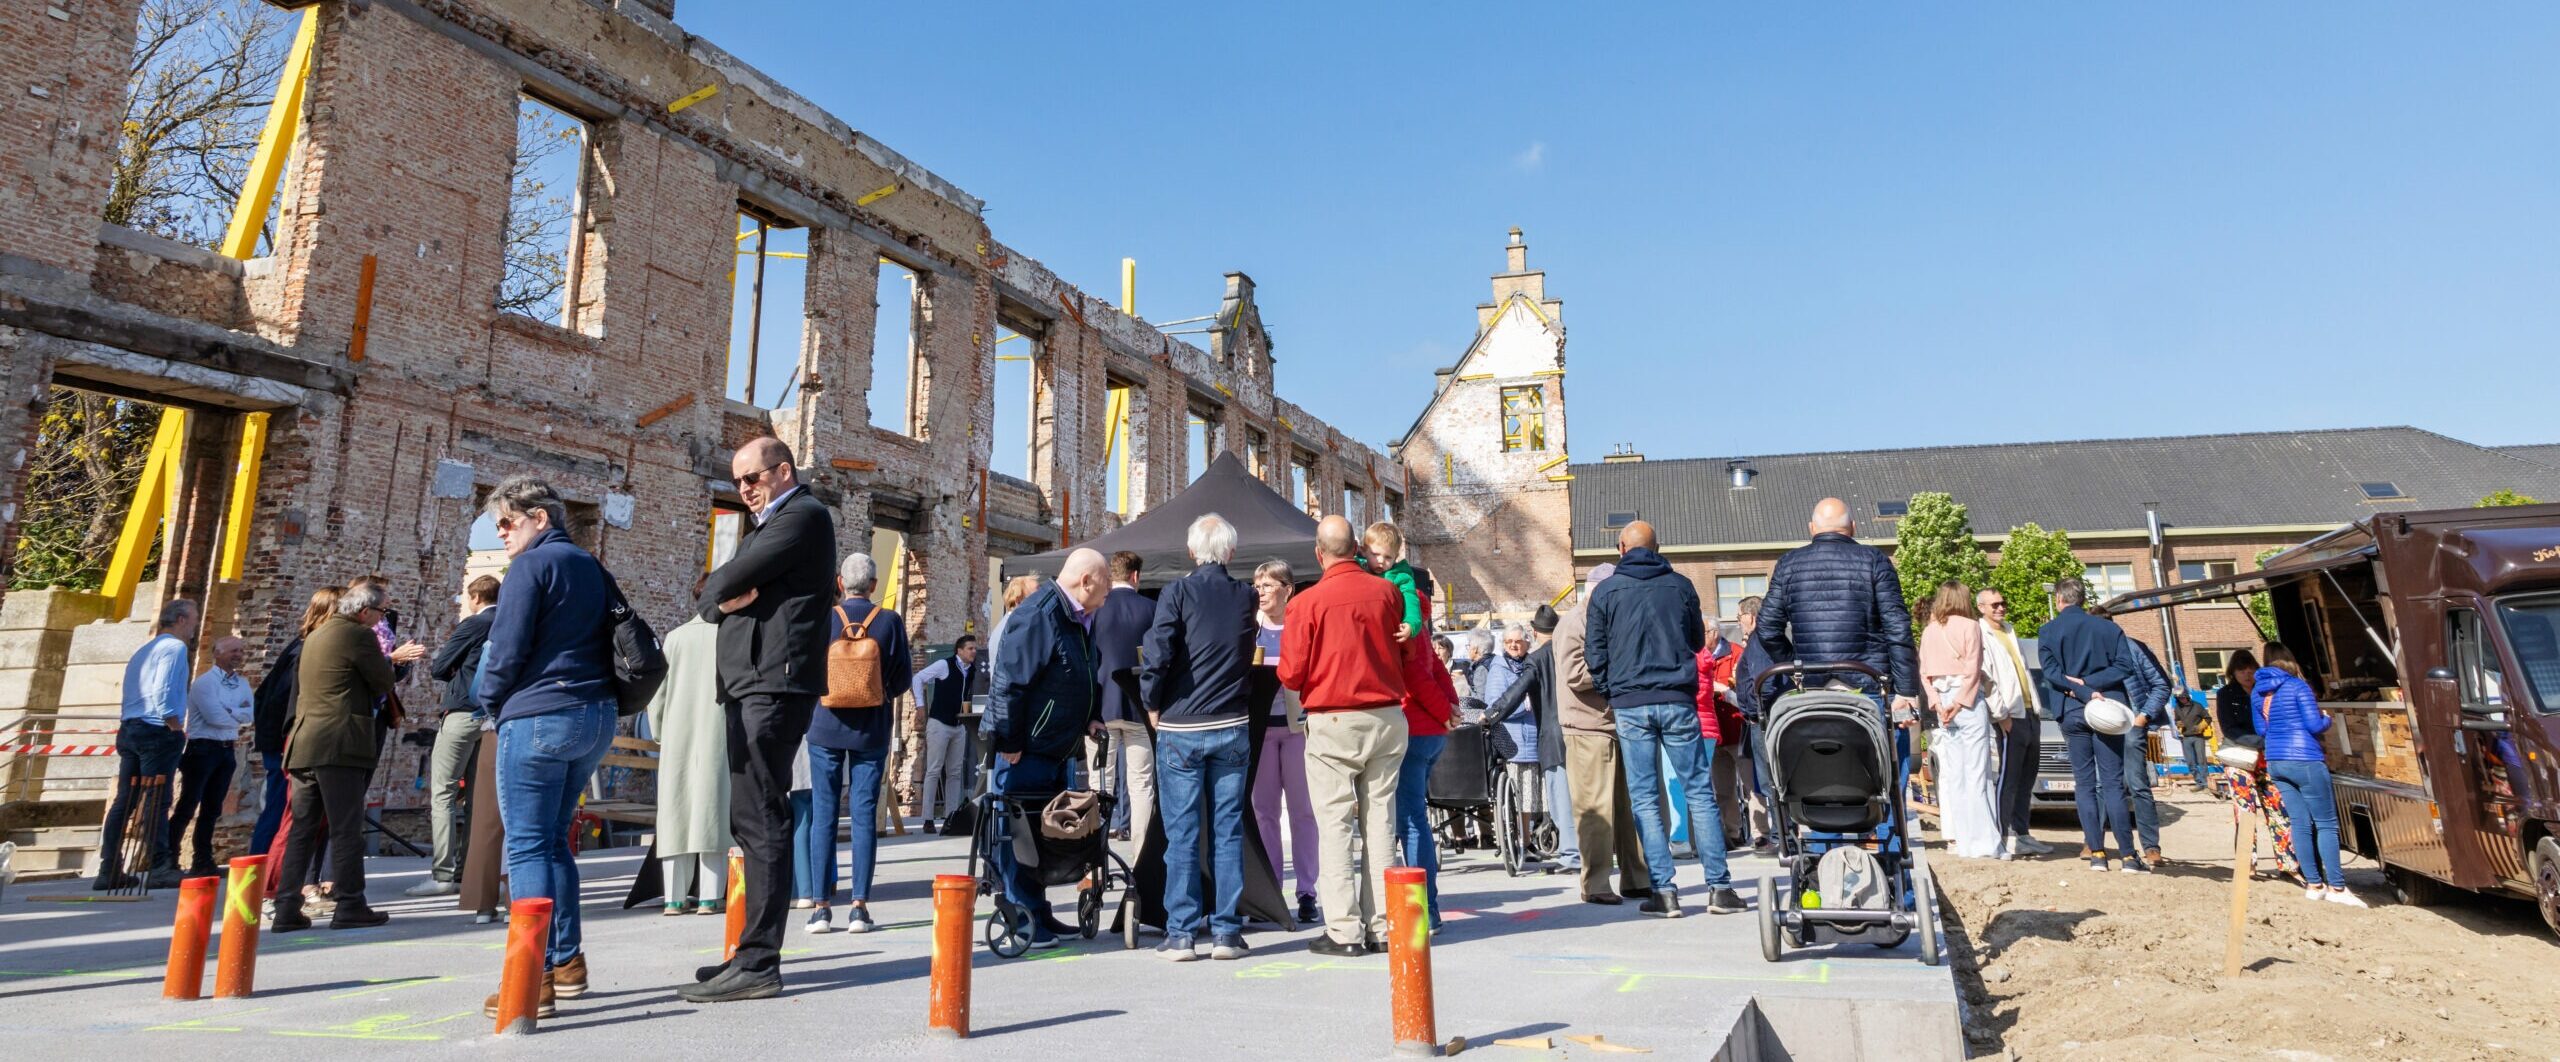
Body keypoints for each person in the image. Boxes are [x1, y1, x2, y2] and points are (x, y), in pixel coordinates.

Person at [686, 437, 838, 1003]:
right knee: (749, 817)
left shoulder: (802, 516)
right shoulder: (770, 523)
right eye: (738, 481)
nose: (745, 489)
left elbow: (719, 583)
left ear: (783, 470)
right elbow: (708, 594)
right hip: (753, 683)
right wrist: (718, 597)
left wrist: (720, 594)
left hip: (774, 682)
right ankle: (749, 954)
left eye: (753, 478)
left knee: (762, 816)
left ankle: (759, 963)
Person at [473, 476, 617, 1016]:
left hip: (539, 714)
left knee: (528, 846)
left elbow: (505, 649)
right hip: (595, 714)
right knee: (555, 840)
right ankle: (566, 962)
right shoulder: (590, 565)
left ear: (540, 517)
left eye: (508, 522)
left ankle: (531, 979)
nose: (502, 533)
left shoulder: (531, 566)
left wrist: (489, 701)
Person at [1586, 520, 1736, 916]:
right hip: (1676, 697)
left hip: (1631, 701)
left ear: (1620, 548)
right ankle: (1719, 888)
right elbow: (1693, 641)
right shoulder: (1681, 586)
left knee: (1645, 796)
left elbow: (1595, 653)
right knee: (1698, 790)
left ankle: (1664, 891)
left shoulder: (1605, 592)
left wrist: (1612, 691)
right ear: (1658, 548)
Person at [1279, 517, 1409, 955]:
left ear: (1319, 554)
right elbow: (1408, 647)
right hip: (1387, 714)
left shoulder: (1307, 603)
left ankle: (1344, 930)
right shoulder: (1387, 592)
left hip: (1335, 719)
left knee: (1334, 824)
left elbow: (1292, 674)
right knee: (1380, 822)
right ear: (1356, 547)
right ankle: (1383, 926)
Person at [1139, 515, 1260, 961]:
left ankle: (1183, 933)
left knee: (1183, 833)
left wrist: (1151, 700)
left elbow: (1159, 650)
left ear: (1192, 551)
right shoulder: (1246, 595)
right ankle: (1227, 931)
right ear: (1230, 552)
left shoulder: (1177, 591)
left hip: (1182, 724)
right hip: (1231, 722)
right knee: (1227, 831)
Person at [983, 548, 1111, 949]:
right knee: (1017, 832)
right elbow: (1010, 681)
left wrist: (1090, 714)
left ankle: (1037, 912)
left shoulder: (1075, 616)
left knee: (1042, 836)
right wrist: (1010, 740)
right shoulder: (1040, 614)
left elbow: (1081, 673)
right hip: (1028, 748)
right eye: (1105, 586)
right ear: (1085, 581)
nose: (1108, 595)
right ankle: (1021, 917)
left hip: (1055, 745)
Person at [271, 583, 398, 929]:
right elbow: (383, 679)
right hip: (339, 743)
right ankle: (351, 903)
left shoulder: (316, 634)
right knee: (346, 828)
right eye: (381, 612)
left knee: (302, 828)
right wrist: (390, 661)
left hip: (304, 743)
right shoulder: (358, 635)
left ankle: (286, 907)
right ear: (364, 611)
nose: (381, 619)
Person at [803, 552, 911, 935]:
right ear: (874, 586)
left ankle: (819, 908)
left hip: (824, 727)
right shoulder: (890, 622)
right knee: (865, 816)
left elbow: (805, 668)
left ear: (839, 583)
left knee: (824, 814)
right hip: (871, 731)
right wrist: (876, 693)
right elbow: (902, 680)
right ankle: (859, 907)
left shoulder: (824, 619)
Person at [1366, 521, 1457, 928]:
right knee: (1412, 818)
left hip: (1415, 726)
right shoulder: (1414, 599)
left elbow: (1417, 673)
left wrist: (1443, 711)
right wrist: (1450, 705)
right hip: (1428, 728)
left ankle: (1424, 910)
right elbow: (1434, 664)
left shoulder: (1402, 605)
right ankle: (1426, 907)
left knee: (1410, 821)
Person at [1558, 564, 1656, 904]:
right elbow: (1574, 674)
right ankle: (1596, 883)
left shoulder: (1610, 618)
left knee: (1631, 808)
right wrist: (1620, 668)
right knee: (1595, 811)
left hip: (1619, 722)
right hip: (1587, 727)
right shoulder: (1574, 622)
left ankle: (1637, 877)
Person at [2037, 577, 2145, 873]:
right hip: (2108, 710)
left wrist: (2081, 689)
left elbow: (2052, 673)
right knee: (2112, 782)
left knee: (2084, 783)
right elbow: (2125, 666)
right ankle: (2128, 856)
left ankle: (2097, 852)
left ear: (2059, 598)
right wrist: (2094, 685)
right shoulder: (2109, 628)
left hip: (2072, 710)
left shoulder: (2048, 631)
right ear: (2082, 598)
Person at [94, 599, 198, 890]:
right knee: (157, 799)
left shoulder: (144, 649)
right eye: (193, 619)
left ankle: (108, 867)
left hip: (131, 728)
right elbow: (163, 689)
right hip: (156, 729)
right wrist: (173, 723)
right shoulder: (174, 648)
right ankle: (160, 865)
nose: (195, 626)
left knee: (125, 800)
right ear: (180, 620)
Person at [410, 575, 499, 897]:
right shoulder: (509, 624)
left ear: (476, 597)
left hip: (462, 713)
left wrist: (458, 672)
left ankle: (442, 874)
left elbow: (439, 667)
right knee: (477, 799)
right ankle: (466, 870)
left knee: (444, 794)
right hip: (492, 717)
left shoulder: (473, 624)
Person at [2256, 643, 2360, 906]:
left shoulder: (2259, 692)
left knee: (2299, 823)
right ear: (2292, 663)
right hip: (2305, 758)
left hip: (2276, 760)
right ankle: (2337, 888)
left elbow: (2262, 729)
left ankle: (2314, 884)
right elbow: (2314, 724)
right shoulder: (2298, 686)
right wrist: (2327, 719)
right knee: (2325, 823)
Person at [648, 593, 730, 917]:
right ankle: (709, 896)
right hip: (718, 733)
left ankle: (674, 897)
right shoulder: (728, 636)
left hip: (678, 733)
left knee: (675, 815)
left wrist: (659, 731)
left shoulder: (675, 638)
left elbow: (658, 693)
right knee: (714, 813)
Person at [1249, 560, 1321, 923]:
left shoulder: (1299, 626)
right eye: (1257, 584)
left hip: (1297, 729)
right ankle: (1271, 886)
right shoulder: (1250, 628)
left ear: (1287, 589)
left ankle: (1307, 890)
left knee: (1303, 811)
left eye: (1268, 584)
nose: (1260, 591)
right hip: (1260, 730)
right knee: (1263, 812)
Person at [1484, 606, 1578, 875]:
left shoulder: (1536, 659)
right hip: (1580, 731)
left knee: (1561, 799)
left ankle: (1572, 856)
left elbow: (1515, 692)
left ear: (1534, 633)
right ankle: (1587, 851)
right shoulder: (1571, 652)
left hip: (1551, 734)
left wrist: (1491, 713)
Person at [251, 588, 335, 857]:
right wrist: (285, 739)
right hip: (284, 744)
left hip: (283, 741)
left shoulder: (303, 646)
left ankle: (262, 870)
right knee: (279, 810)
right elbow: (277, 699)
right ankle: (258, 872)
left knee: (283, 809)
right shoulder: (303, 650)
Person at [1919, 583, 2000, 858]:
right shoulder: (1970, 626)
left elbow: (1924, 673)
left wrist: (1938, 703)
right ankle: (1985, 842)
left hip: (1942, 701)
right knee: (1978, 772)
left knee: (1955, 776)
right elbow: (1973, 668)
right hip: (1966, 701)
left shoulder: (1930, 631)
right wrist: (1959, 702)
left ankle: (1962, 841)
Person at [164, 634, 251, 876]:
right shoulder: (205, 683)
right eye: (233, 650)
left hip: (226, 749)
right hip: (202, 748)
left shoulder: (242, 683)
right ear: (217, 653)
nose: (238, 655)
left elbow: (250, 715)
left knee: (213, 808)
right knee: (188, 804)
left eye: (240, 651)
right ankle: (169, 858)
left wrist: (232, 712)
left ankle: (202, 859)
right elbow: (215, 717)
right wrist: (236, 714)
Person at [1093, 551, 1156, 845]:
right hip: (1138, 706)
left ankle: (1094, 857)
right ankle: (1141, 856)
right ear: (1135, 576)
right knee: (1141, 784)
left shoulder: (1094, 610)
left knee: (1098, 783)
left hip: (1100, 708)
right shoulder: (1152, 609)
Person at [910, 635, 984, 832]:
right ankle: (927, 819)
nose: (974, 652)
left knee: (954, 772)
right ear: (959, 650)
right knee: (934, 769)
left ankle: (951, 817)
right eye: (970, 648)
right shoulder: (944, 665)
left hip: (958, 725)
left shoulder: (972, 670)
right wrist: (919, 706)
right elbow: (918, 678)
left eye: (975, 649)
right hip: (939, 723)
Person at [1482, 625, 1543, 850]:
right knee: (1520, 793)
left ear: (1527, 642)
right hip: (1513, 740)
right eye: (1509, 642)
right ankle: (1521, 839)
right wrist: (1525, 706)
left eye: (1517, 641)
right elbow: (1495, 705)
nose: (1514, 645)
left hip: (1535, 736)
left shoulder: (1533, 663)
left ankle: (1530, 837)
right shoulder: (1499, 668)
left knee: (1531, 794)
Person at [2118, 637, 2173, 865]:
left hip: (2132, 723)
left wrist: (2142, 717)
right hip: (2104, 724)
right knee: (2103, 785)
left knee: (2137, 784)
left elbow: (2162, 684)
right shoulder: (2088, 646)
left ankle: (2151, 847)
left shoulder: (2133, 648)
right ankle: (2095, 843)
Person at [1695, 623, 1749, 849]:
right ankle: (1731, 832)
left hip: (1737, 727)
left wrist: (1724, 690)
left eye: (1703, 632)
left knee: (1751, 786)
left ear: (1714, 633)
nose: (1699, 636)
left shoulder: (1736, 653)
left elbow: (1745, 688)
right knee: (1722, 789)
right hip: (1715, 734)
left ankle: (1762, 833)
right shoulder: (1698, 655)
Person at [2214, 649, 2262, 749]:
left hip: (2269, 747)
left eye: (2251, 671)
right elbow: (2228, 728)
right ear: (2233, 673)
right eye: (2242, 671)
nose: (2247, 675)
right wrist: (2260, 742)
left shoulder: (2264, 691)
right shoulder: (2225, 694)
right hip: (2242, 748)